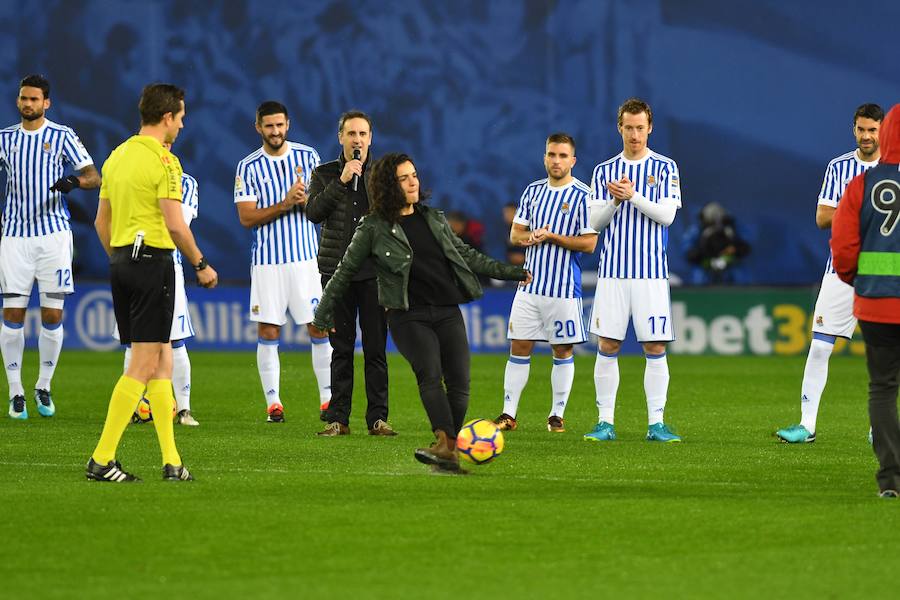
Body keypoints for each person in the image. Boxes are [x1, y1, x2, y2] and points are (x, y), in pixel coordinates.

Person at [312, 153, 529, 473]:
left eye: (414, 175)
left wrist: (512, 272)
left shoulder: (433, 218)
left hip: (446, 309)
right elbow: (343, 272)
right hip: (406, 315)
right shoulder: (372, 227)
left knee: (460, 382)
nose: (413, 181)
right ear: (388, 185)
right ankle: (444, 441)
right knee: (429, 374)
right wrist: (322, 314)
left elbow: (466, 255)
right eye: (404, 178)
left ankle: (449, 451)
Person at [87, 83, 218, 482]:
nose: (181, 124)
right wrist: (201, 263)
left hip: (122, 260)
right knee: (145, 364)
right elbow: (175, 225)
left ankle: (172, 461)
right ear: (167, 118)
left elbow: (100, 222)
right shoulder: (166, 162)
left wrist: (121, 259)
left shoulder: (116, 156)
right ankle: (102, 458)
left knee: (162, 362)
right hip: (152, 264)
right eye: (180, 117)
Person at [776, 103, 884, 443]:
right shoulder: (839, 167)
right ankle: (806, 425)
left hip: (884, 268)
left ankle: (879, 428)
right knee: (821, 346)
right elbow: (823, 217)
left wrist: (853, 211)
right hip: (842, 266)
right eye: (861, 129)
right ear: (854, 129)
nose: (866, 136)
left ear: (883, 131)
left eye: (872, 130)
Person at [0, 74, 100, 420]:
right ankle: (16, 392)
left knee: (52, 314)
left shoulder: (61, 136)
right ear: (18, 101)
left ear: (47, 103)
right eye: (23, 98)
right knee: (12, 313)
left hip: (53, 235)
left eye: (35, 99)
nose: (28, 104)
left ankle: (43, 384)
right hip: (14, 236)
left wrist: (73, 180)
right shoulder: (5, 139)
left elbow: (93, 176)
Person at [583, 97, 683, 443]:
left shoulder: (666, 168)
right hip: (612, 274)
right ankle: (604, 422)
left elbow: (667, 216)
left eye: (641, 128)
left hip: (651, 274)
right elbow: (593, 223)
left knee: (655, 347)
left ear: (650, 128)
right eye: (629, 128)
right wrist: (613, 200)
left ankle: (656, 423)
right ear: (620, 128)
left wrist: (633, 196)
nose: (635, 134)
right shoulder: (603, 171)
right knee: (608, 344)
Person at [234, 101, 333, 423]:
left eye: (279, 125)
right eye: (269, 126)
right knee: (269, 329)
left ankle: (327, 399)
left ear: (287, 124)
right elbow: (247, 217)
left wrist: (309, 202)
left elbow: (324, 206)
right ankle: (273, 404)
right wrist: (285, 203)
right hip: (267, 262)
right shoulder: (248, 167)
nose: (275, 132)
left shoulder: (308, 157)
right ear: (258, 128)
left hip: (305, 260)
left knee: (318, 328)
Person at [494, 133, 597, 433]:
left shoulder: (583, 195)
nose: (556, 160)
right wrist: (532, 237)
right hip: (529, 286)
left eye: (563, 156)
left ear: (573, 161)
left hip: (563, 290)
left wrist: (552, 237)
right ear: (545, 157)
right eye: (552, 154)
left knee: (562, 350)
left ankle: (556, 414)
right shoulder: (533, 191)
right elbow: (515, 236)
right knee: (519, 346)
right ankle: (508, 414)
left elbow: (589, 244)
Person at [306, 111, 392, 436]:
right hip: (337, 272)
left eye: (363, 134)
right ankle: (338, 419)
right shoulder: (325, 173)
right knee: (341, 349)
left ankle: (378, 419)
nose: (357, 139)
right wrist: (342, 181)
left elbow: (395, 223)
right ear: (340, 137)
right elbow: (313, 212)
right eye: (351, 133)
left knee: (376, 349)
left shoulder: (383, 175)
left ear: (371, 138)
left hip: (374, 274)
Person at [831, 103, 900, 498]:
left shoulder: (861, 186)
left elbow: (842, 247)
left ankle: (891, 478)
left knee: (883, 389)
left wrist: (859, 279)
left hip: (876, 304)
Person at [120, 140, 200, 426]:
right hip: (133, 265)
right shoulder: (132, 176)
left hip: (168, 266)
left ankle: (184, 409)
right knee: (135, 338)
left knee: (174, 338)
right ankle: (135, 405)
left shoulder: (186, 183)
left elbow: (177, 224)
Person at [683, 201, 751, 285]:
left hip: (731, 271)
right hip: (704, 272)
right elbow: (688, 252)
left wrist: (732, 250)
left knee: (738, 278)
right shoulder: (696, 230)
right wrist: (704, 254)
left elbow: (746, 247)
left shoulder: (733, 229)